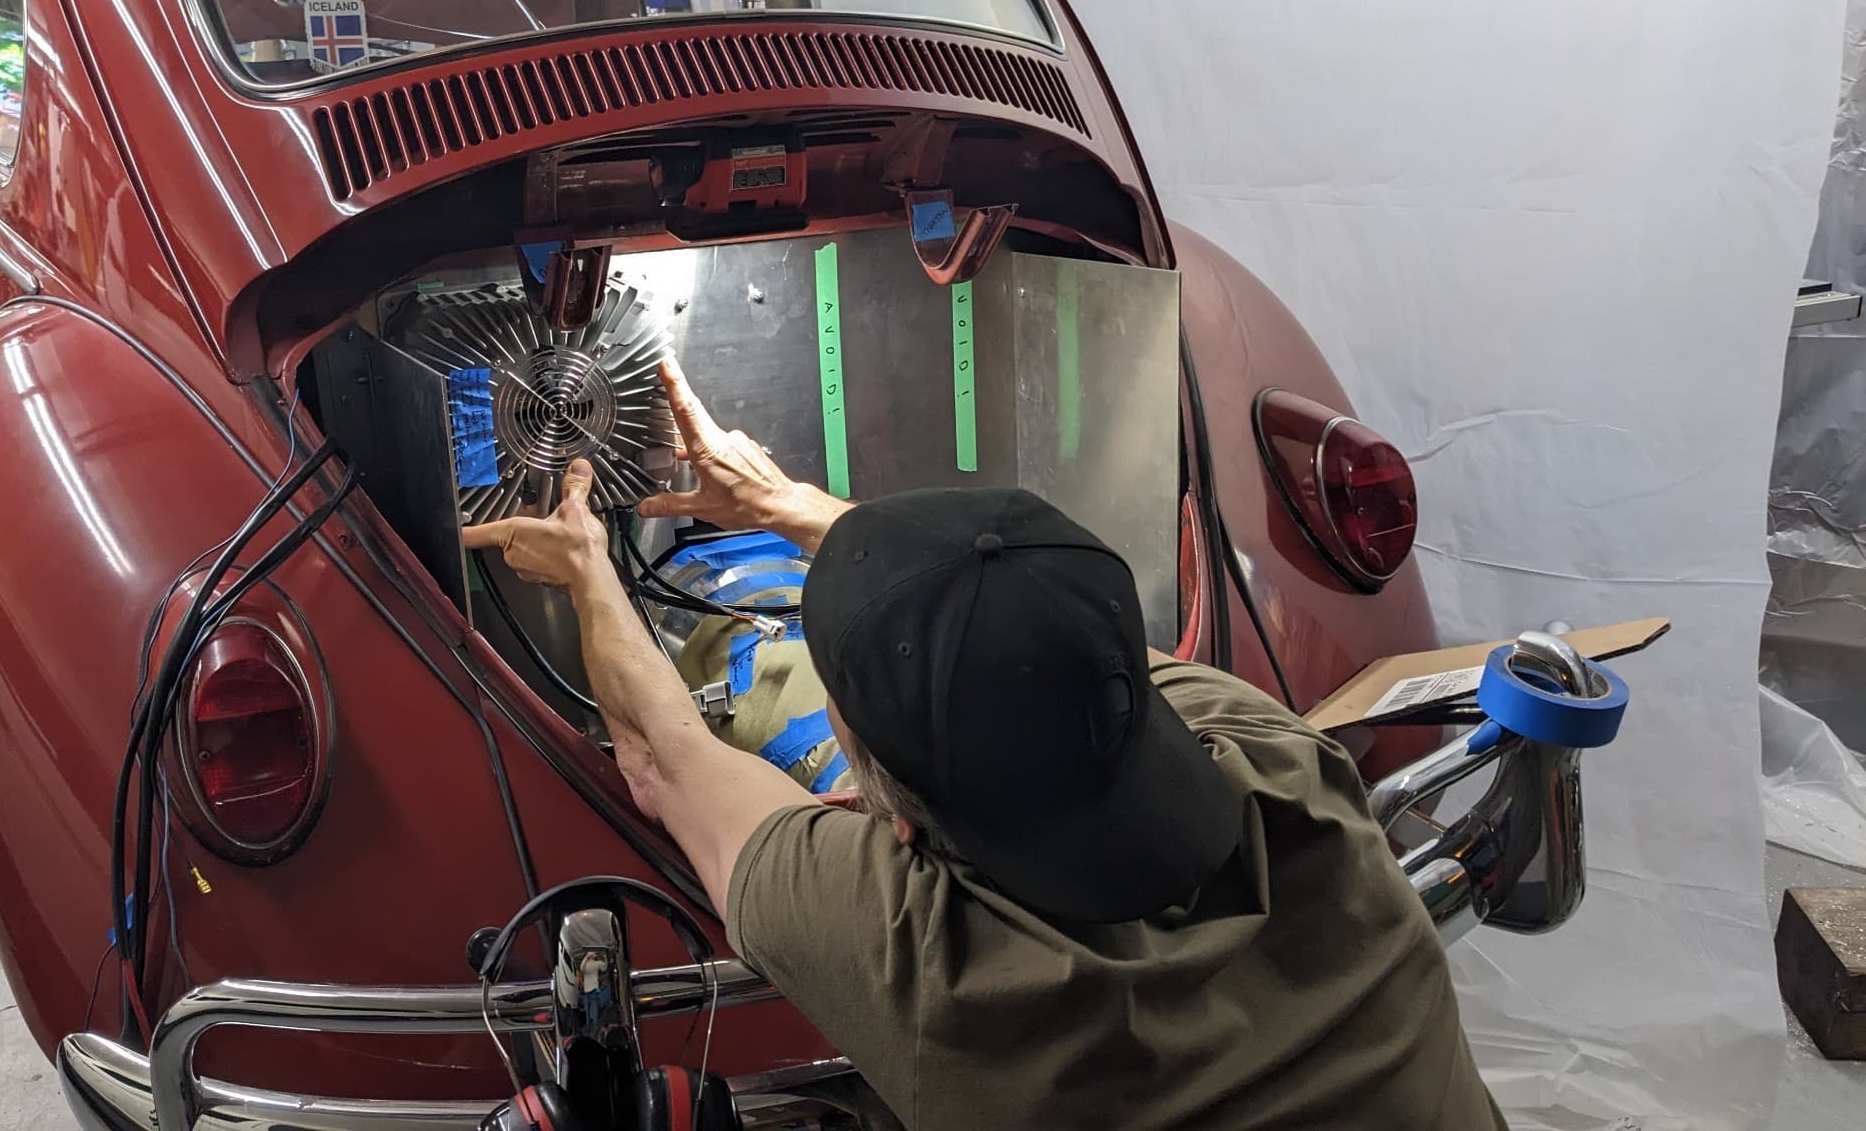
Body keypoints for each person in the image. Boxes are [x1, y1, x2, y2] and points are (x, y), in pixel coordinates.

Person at [463, 359, 1508, 1131]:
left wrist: (587, 566)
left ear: (894, 815)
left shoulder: (924, 962)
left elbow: (661, 756)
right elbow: (1053, 633)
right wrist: (798, 512)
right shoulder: (1287, 764)